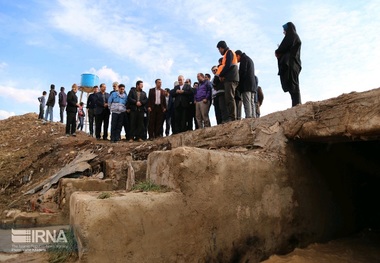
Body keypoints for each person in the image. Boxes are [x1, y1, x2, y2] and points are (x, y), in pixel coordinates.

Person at [275, 22, 302, 107]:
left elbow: (281, 49)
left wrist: (278, 51)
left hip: (291, 65)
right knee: (292, 86)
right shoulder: (294, 37)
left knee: (294, 85)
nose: (284, 32)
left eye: (284, 30)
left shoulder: (292, 37)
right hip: (292, 65)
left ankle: (297, 104)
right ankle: (296, 104)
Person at [216, 41, 239, 122]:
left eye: (219, 50)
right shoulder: (229, 53)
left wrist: (221, 75)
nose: (219, 52)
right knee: (229, 98)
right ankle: (232, 117)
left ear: (221, 48)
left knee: (230, 98)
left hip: (231, 78)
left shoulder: (229, 52)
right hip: (231, 78)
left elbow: (228, 65)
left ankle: (233, 118)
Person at [235, 50, 257, 118]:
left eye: (236, 58)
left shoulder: (244, 59)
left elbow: (243, 72)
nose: (236, 60)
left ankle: (249, 117)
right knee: (251, 102)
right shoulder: (249, 59)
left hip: (246, 85)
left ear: (238, 55)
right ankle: (253, 117)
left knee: (247, 102)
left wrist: (238, 81)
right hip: (252, 85)